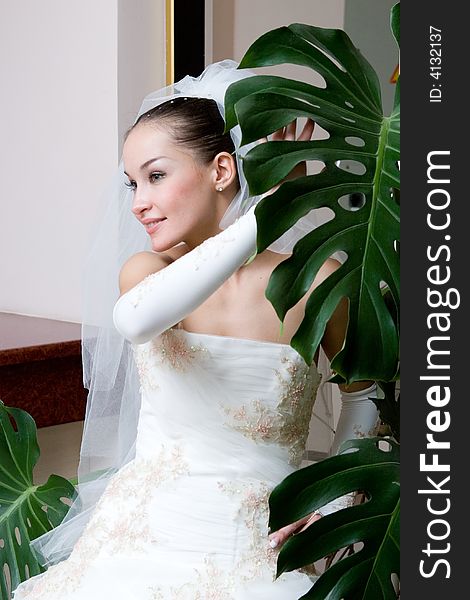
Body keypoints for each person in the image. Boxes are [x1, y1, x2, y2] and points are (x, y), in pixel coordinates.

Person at [12, 60, 379, 599]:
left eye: (156, 176)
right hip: (144, 539)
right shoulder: (146, 275)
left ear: (222, 171)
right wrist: (266, 213)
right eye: (132, 182)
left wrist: (332, 502)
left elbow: (364, 395)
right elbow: (136, 320)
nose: (138, 202)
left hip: (264, 540)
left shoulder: (316, 280)